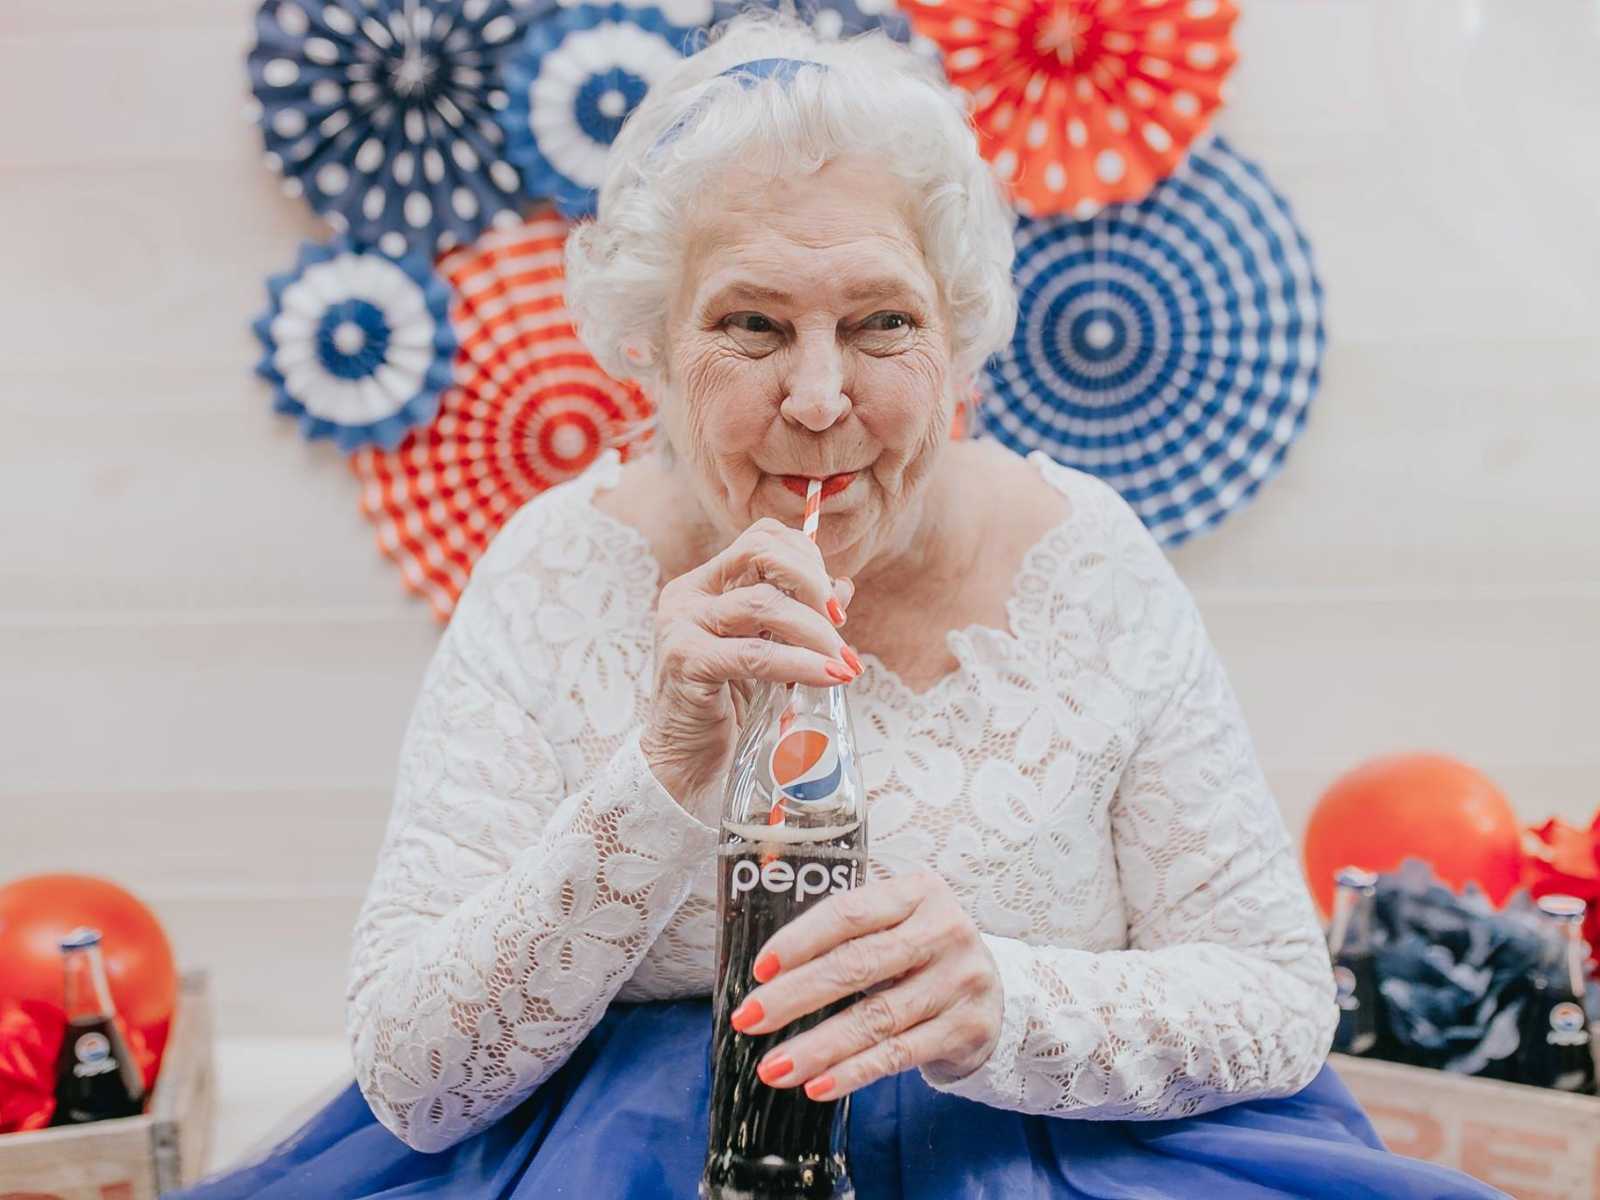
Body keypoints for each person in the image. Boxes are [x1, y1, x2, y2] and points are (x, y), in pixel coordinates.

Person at [178, 12, 1503, 1198]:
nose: (819, 399)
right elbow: (417, 1080)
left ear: (959, 336)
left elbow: (1275, 1000)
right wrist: (668, 761)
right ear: (651, 349)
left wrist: (1005, 999)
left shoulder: (1088, 561)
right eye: (751, 326)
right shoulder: (552, 569)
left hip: (1052, 1155)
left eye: (879, 324)